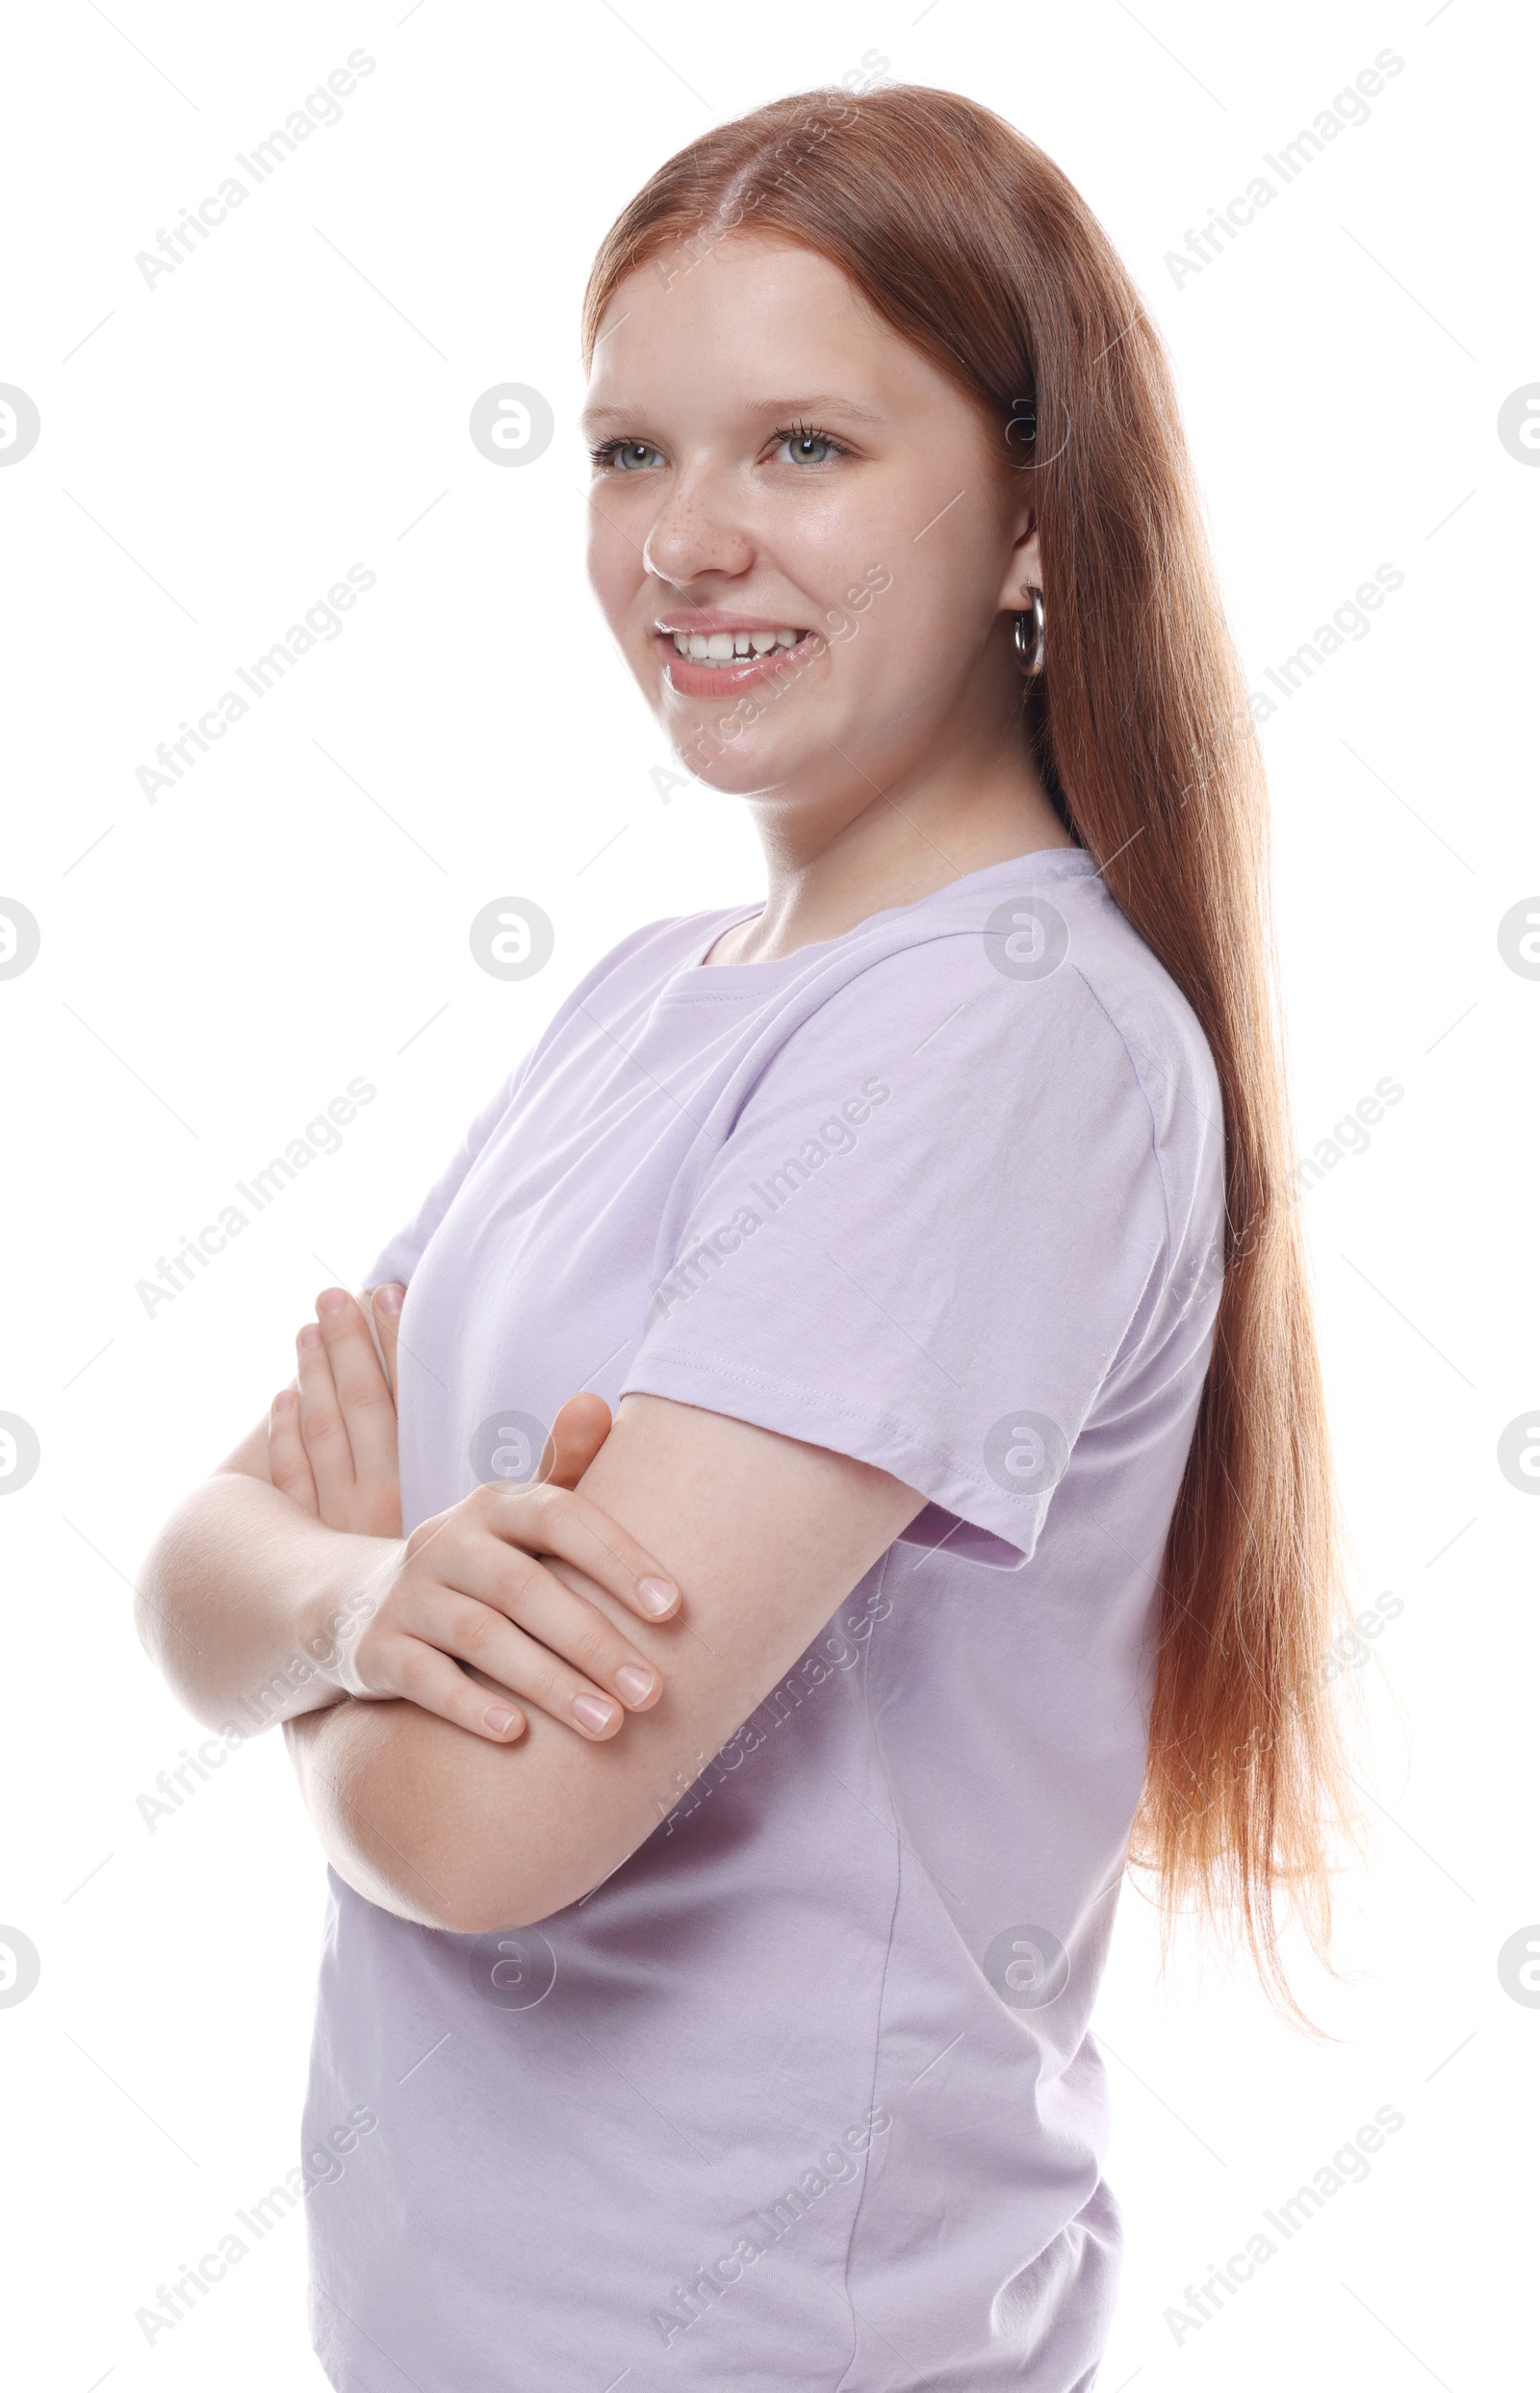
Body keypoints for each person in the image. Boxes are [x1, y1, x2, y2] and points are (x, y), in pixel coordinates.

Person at [139, 82, 1352, 2393]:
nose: (685, 539)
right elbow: (192, 1565)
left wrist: (323, 1646)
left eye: (801, 446)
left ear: (1024, 511)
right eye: (624, 454)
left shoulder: (996, 1046)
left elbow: (490, 1826)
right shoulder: (643, 1000)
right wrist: (370, 1597)